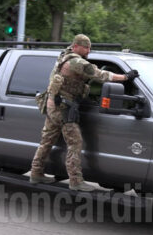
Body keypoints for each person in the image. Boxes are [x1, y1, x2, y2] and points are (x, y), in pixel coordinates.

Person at [30, 34, 139, 192]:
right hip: (63, 107)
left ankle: (35, 172)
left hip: (53, 104)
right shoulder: (76, 62)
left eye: (89, 47)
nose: (89, 50)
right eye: (85, 47)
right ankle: (75, 180)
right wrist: (126, 77)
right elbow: (100, 75)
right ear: (75, 47)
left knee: (47, 140)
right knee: (75, 142)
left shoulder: (64, 56)